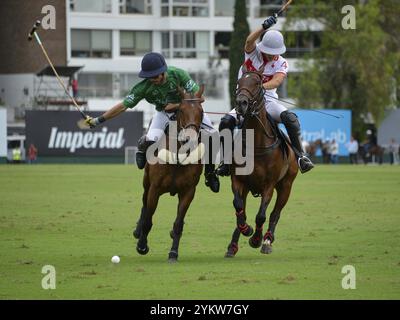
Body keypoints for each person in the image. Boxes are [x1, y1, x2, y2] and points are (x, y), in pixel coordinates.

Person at [85, 52, 220, 193]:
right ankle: (142, 152)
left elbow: (200, 97)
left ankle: (210, 174)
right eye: (149, 77)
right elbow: (123, 106)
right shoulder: (143, 88)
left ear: (163, 72)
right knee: (150, 140)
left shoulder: (178, 74)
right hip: (163, 114)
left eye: (155, 76)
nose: (153, 79)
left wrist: (178, 105)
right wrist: (99, 120)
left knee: (213, 135)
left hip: (188, 111)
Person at [217, 15, 314, 175]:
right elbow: (249, 41)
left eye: (275, 52)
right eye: (269, 52)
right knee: (226, 122)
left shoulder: (282, 62)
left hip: (267, 101)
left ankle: (301, 157)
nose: (272, 55)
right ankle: (226, 162)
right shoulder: (252, 54)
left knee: (291, 119)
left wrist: (259, 87)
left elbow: (277, 81)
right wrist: (264, 26)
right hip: (245, 101)